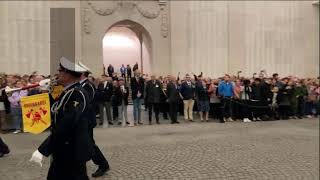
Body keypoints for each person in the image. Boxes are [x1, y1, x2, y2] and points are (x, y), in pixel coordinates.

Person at [29, 57, 93, 180]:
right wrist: (48, 90)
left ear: (68, 75)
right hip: (64, 147)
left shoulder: (77, 94)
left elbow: (66, 124)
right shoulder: (67, 91)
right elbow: (55, 108)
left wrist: (44, 149)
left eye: (60, 71)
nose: (58, 74)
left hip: (72, 148)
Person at [78, 62, 110, 178]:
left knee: (89, 144)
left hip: (87, 120)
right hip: (82, 120)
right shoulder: (81, 85)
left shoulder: (88, 85)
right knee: (86, 143)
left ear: (82, 73)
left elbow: (87, 102)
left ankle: (103, 164)